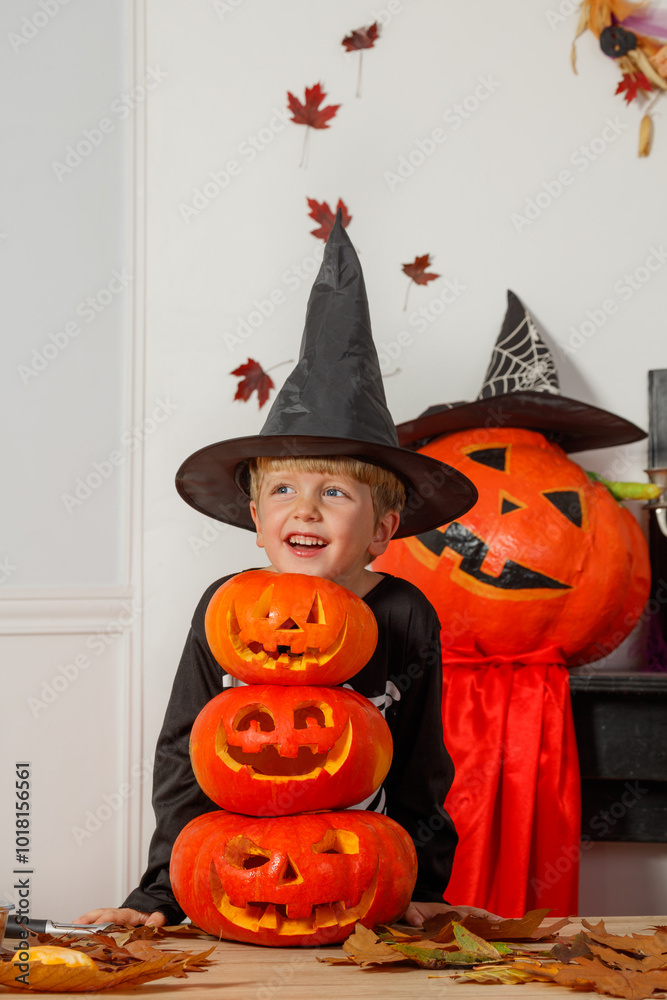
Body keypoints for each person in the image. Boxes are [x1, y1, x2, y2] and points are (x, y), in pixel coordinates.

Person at [75, 214, 482, 930]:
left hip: (349, 871)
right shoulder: (225, 608)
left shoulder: (405, 614)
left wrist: (424, 886)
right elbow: (184, 752)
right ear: (257, 518)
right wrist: (160, 895)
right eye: (284, 490)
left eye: (335, 492)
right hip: (242, 864)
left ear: (382, 529)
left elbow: (421, 764)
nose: (307, 509)